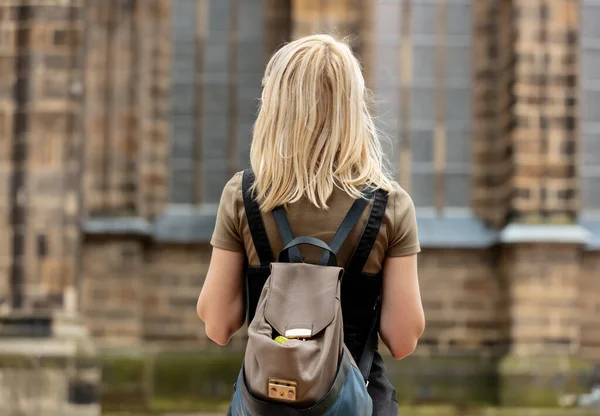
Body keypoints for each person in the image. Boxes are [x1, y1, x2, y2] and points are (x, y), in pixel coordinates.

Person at [197, 34, 425, 415]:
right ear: (354, 109)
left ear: (276, 107)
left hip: (268, 401)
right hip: (358, 401)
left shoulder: (243, 196)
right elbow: (403, 339)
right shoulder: (391, 206)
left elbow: (218, 325)